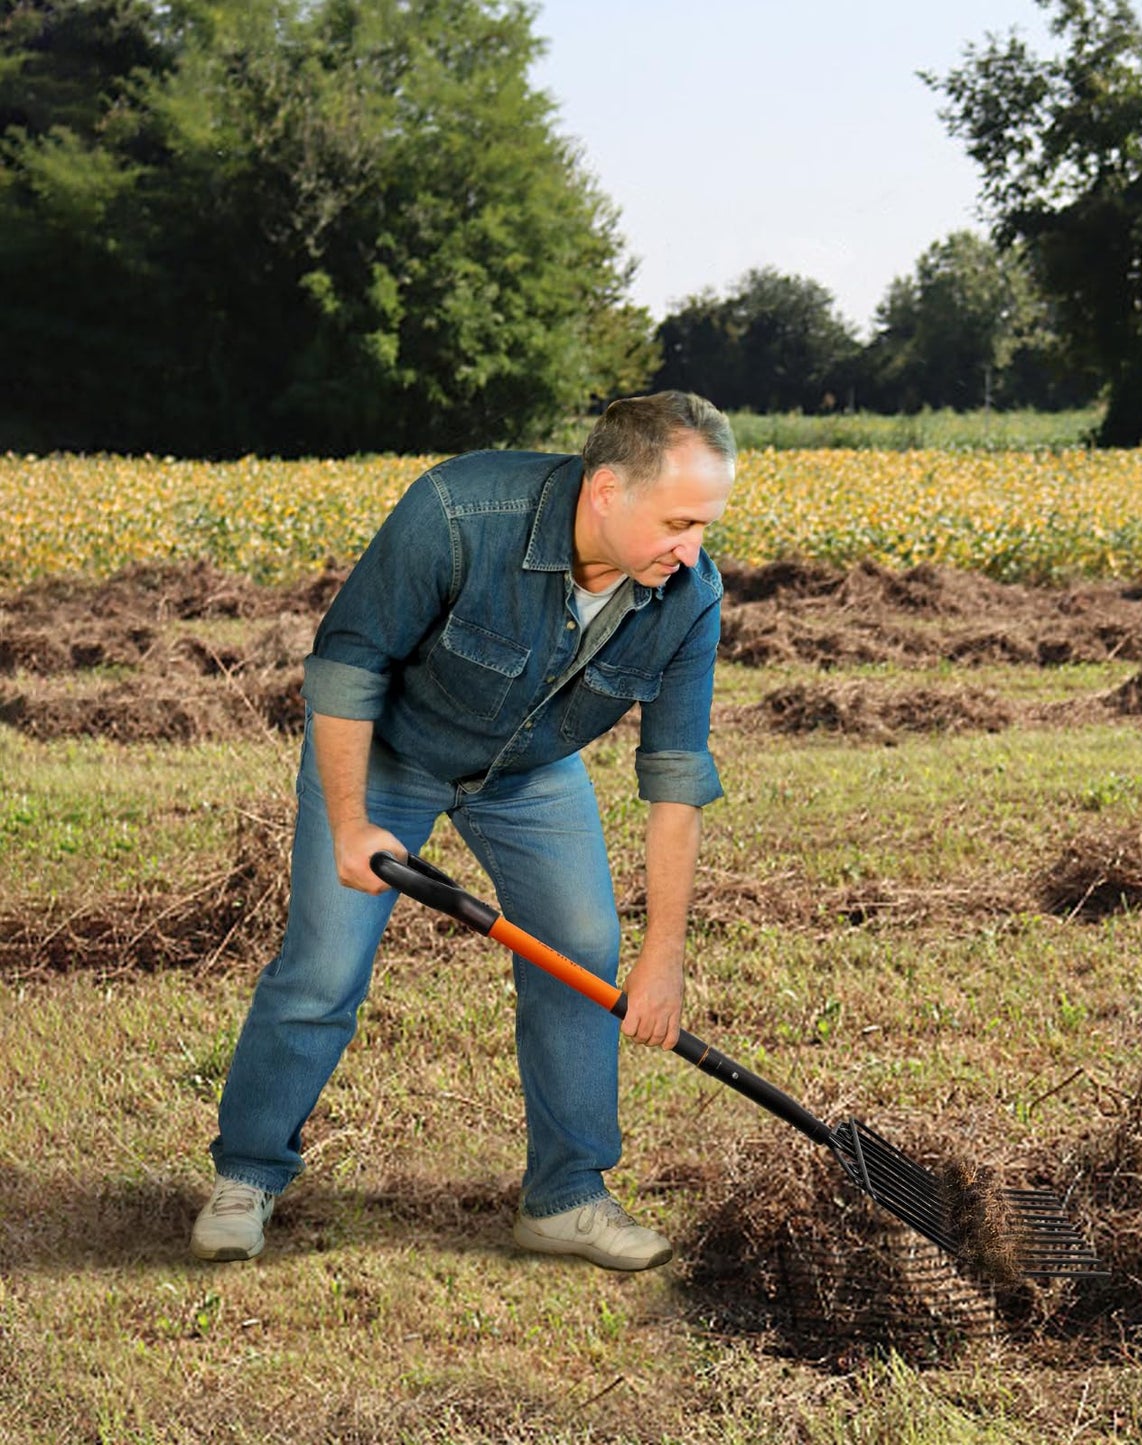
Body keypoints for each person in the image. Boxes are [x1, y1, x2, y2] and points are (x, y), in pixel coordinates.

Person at [191, 391, 736, 1271]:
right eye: (678, 521)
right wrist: (350, 822)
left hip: (526, 771)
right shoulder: (458, 512)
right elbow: (346, 664)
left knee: (582, 948)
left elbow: (674, 779)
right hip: (388, 753)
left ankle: (566, 1196)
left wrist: (663, 952)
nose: (693, 548)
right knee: (323, 967)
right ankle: (247, 1173)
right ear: (605, 490)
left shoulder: (688, 596)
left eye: (706, 524)